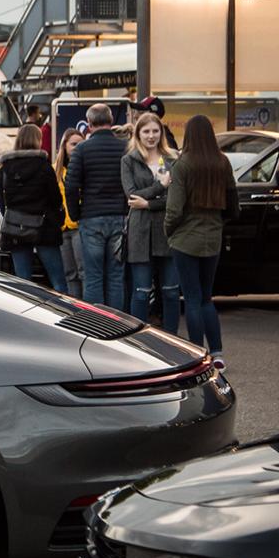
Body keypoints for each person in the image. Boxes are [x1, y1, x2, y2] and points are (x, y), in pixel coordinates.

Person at [166, 115, 237, 369]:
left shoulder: (182, 165)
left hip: (185, 238)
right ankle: (217, 353)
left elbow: (174, 209)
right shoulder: (222, 162)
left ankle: (198, 355)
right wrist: (218, 222)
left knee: (192, 299)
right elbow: (233, 204)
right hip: (212, 237)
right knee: (207, 298)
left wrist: (168, 231)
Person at [65, 103, 130, 311]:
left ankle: (95, 323)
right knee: (116, 276)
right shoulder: (125, 148)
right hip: (119, 216)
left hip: (91, 217)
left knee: (93, 277)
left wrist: (76, 214)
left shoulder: (82, 149)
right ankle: (117, 323)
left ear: (89, 123)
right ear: (111, 121)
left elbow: (71, 186)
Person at [122, 112, 180, 334]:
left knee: (171, 291)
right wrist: (160, 187)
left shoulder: (173, 158)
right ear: (138, 134)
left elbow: (176, 198)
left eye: (155, 131)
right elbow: (131, 195)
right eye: (146, 131)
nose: (151, 135)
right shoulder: (129, 161)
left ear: (161, 133)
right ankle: (138, 342)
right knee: (141, 292)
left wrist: (148, 204)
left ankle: (173, 339)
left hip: (167, 230)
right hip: (141, 233)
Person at [0, 124, 66, 291]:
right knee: (57, 280)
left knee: (23, 282)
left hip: (16, 228)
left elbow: (2, 202)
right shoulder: (44, 167)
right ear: (38, 140)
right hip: (44, 228)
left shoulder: (5, 168)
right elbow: (55, 199)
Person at [55, 127, 85, 295]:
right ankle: (74, 306)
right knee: (70, 274)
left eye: (80, 144)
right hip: (62, 228)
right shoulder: (55, 170)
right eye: (74, 144)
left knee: (83, 271)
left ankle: (86, 307)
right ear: (64, 146)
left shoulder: (85, 167)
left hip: (79, 226)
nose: (77, 148)